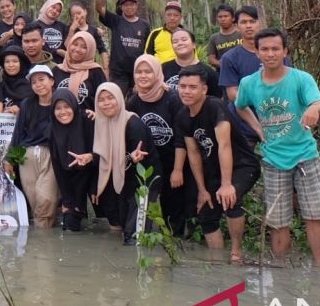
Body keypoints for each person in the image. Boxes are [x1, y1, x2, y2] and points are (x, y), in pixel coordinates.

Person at [234, 29, 320, 265]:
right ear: (257, 53)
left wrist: (313, 108)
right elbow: (240, 106)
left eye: (275, 49)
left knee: (314, 216)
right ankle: (281, 272)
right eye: (265, 49)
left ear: (285, 52)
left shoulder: (301, 78)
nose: (270, 54)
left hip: (305, 156)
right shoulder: (249, 83)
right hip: (273, 159)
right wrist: (257, 128)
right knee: (278, 220)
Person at [174, 66, 259, 263]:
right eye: (183, 86)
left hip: (243, 165)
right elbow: (193, 153)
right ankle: (218, 261)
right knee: (206, 214)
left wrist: (227, 183)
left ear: (204, 90)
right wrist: (203, 189)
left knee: (230, 199)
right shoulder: (182, 116)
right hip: (214, 170)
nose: (186, 91)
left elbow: (225, 145)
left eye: (192, 87)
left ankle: (236, 254)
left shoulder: (215, 107)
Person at [92, 82, 159, 246]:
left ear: (120, 99)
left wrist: (133, 157)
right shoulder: (102, 123)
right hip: (122, 183)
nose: (106, 103)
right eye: (101, 100)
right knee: (121, 229)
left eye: (110, 98)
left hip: (143, 183)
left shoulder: (133, 124)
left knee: (135, 237)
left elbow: (141, 156)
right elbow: (104, 157)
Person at [126, 54, 186, 236]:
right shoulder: (134, 101)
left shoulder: (173, 99)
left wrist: (178, 169)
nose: (142, 76)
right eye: (138, 72)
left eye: (148, 72)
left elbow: (181, 137)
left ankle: (174, 250)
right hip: (147, 166)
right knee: (142, 212)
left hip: (173, 162)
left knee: (173, 215)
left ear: (158, 73)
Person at [4, 65, 60, 227]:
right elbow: (18, 132)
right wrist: (10, 158)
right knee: (34, 199)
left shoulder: (61, 102)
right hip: (27, 156)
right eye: (34, 82)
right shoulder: (27, 104)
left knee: (46, 198)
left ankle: (41, 242)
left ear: (51, 81)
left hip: (51, 154)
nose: (38, 84)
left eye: (42, 80)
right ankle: (45, 238)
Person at [95, 0, 150, 95]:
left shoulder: (145, 25)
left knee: (137, 104)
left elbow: (148, 49)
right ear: (122, 7)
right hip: (118, 74)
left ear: (136, 6)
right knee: (115, 100)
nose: (129, 7)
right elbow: (99, 7)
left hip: (138, 72)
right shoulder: (116, 21)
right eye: (126, 5)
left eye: (132, 4)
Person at [49, 88, 94, 231]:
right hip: (71, 181)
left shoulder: (87, 120)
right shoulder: (52, 129)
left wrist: (89, 156)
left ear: (74, 105)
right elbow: (58, 168)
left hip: (94, 176)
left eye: (67, 106)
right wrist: (67, 200)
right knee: (69, 226)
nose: (63, 112)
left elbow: (102, 152)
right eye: (58, 108)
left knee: (112, 221)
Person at [162, 28, 220, 97]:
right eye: (175, 42)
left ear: (194, 44)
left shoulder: (208, 72)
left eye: (184, 40)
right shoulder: (162, 68)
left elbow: (216, 100)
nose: (180, 43)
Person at [55, 31, 107, 108]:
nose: (77, 49)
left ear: (90, 50)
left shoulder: (96, 71)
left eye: (84, 47)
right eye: (75, 44)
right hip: (61, 117)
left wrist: (97, 114)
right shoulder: (57, 70)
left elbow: (104, 98)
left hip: (87, 118)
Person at [64, 2, 108, 72]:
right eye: (73, 15)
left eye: (79, 13)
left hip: (90, 67)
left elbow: (102, 49)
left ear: (85, 12)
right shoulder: (68, 29)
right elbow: (67, 46)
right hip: (72, 66)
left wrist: (106, 68)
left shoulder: (94, 30)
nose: (77, 16)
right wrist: (72, 30)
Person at [206, 5, 241, 69]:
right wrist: (223, 64)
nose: (223, 19)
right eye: (220, 17)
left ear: (233, 18)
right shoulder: (214, 38)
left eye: (226, 16)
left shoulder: (241, 34)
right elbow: (211, 59)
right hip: (223, 73)